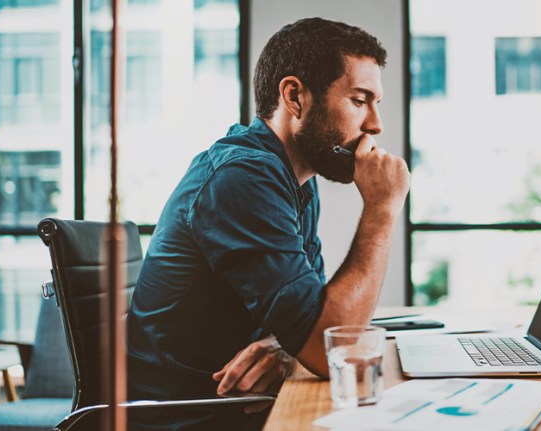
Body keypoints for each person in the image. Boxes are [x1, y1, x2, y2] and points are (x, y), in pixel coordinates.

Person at [127, 17, 409, 430]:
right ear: (294, 96)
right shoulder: (242, 178)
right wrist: (382, 210)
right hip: (187, 417)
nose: (375, 125)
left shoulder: (294, 181)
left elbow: (317, 318)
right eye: (359, 100)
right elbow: (331, 345)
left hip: (238, 406)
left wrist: (283, 344)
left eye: (376, 103)